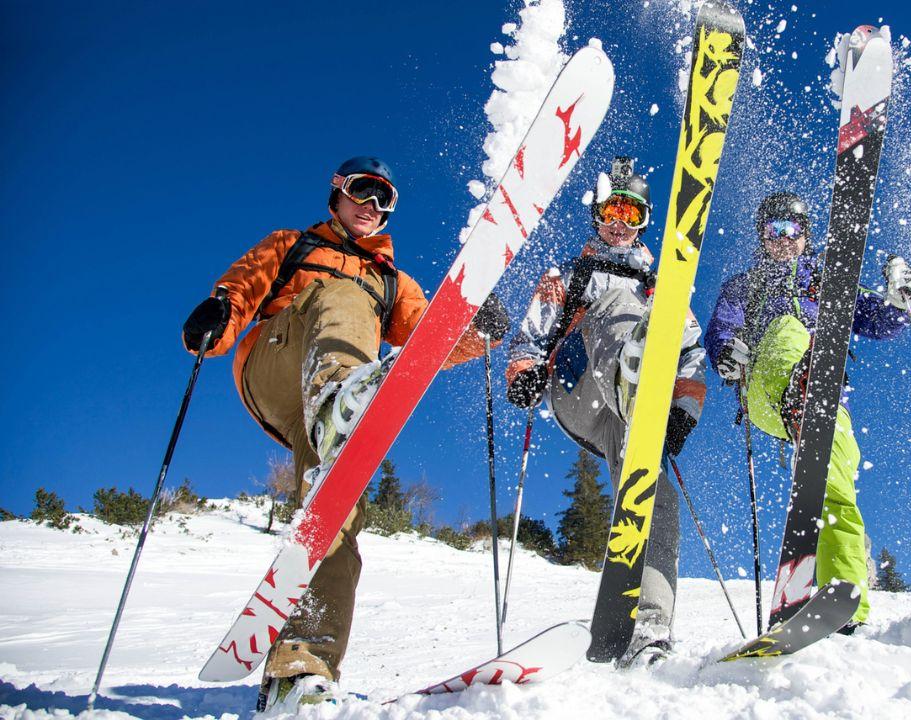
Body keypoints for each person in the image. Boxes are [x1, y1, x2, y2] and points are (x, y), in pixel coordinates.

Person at [181, 156, 508, 709]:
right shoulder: (295, 245)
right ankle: (341, 401)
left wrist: (478, 334)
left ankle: (300, 672)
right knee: (341, 296)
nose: (372, 207)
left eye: (385, 200)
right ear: (337, 193)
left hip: (327, 408)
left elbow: (431, 341)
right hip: (278, 366)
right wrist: (217, 316)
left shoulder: (394, 282)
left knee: (335, 513)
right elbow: (244, 285)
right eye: (363, 191)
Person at [505, 157, 706, 666]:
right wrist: (524, 372)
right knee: (617, 301)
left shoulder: (663, 284)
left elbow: (693, 352)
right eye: (612, 209)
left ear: (642, 221)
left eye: (632, 213)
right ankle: (632, 377)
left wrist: (682, 410)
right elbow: (529, 337)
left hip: (628, 421)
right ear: (596, 213)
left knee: (655, 497)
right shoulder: (568, 275)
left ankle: (651, 629)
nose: (620, 222)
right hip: (580, 390)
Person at [704, 191, 911, 631]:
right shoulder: (745, 286)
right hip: (766, 388)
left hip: (827, 399)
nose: (783, 239)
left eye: (792, 230)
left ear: (806, 234)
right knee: (788, 329)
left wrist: (899, 302)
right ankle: (807, 379)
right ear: (761, 238)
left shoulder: (826, 279)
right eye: (773, 231)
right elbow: (721, 332)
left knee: (838, 484)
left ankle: (844, 602)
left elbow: (877, 323)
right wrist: (728, 356)